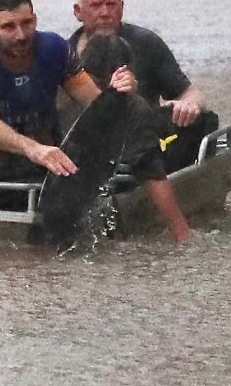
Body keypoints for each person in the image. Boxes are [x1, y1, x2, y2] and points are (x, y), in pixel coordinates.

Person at [72, 0, 217, 168]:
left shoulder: (146, 43)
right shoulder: (65, 53)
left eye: (111, 5)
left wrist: (189, 106)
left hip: (146, 140)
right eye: (96, 5)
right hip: (90, 146)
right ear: (78, 12)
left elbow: (191, 93)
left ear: (122, 8)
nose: (105, 13)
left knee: (204, 120)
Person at [0, 0, 100, 177]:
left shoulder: (55, 48)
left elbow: (94, 101)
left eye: (26, 23)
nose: (21, 35)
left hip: (46, 162)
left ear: (35, 19)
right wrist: (32, 149)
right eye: (8, 27)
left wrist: (118, 94)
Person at [69, 31, 194, 243]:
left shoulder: (64, 92)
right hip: (119, 171)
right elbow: (153, 173)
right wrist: (182, 232)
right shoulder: (135, 108)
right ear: (126, 71)